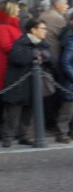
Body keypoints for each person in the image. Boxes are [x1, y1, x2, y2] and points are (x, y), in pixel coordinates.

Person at [2, 19, 53, 147]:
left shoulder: (43, 44)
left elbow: (52, 60)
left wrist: (42, 56)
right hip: (18, 83)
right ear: (33, 30)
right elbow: (18, 59)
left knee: (27, 113)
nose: (45, 31)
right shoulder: (21, 42)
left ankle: (22, 135)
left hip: (33, 85)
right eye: (42, 28)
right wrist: (35, 56)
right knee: (13, 113)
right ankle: (7, 136)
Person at [38, 0, 69, 129]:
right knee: (51, 92)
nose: (67, 6)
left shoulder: (45, 14)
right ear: (57, 4)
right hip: (53, 56)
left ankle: (47, 119)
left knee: (47, 91)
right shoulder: (57, 18)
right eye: (65, 4)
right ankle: (50, 121)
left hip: (45, 56)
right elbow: (64, 39)